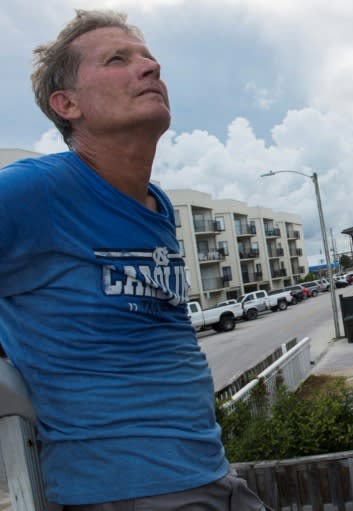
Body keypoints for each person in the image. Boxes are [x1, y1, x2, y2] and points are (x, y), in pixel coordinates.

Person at [0, 10, 271, 510]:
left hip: (210, 474)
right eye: (118, 60)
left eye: (147, 57)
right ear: (67, 104)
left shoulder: (157, 203)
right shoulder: (33, 191)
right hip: (127, 492)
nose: (151, 67)